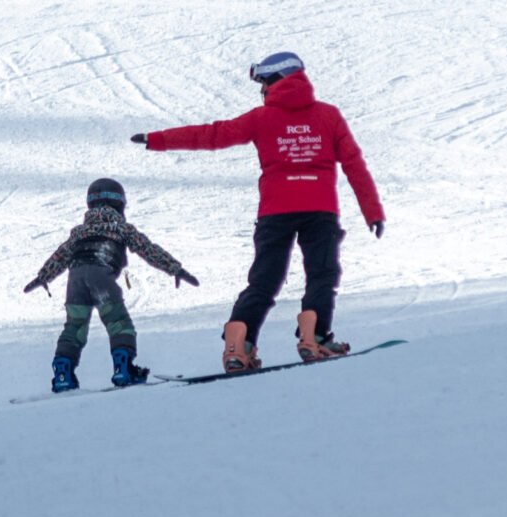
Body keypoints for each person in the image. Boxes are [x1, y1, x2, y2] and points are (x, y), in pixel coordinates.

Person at [133, 52, 384, 372]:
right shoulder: (328, 116)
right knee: (321, 275)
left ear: (279, 79)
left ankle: (239, 346)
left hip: (275, 211)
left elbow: (211, 135)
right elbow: (353, 165)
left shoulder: (261, 118)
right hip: (319, 210)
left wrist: (158, 140)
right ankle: (316, 339)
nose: (262, 91)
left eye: (264, 83)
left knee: (264, 280)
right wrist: (371, 211)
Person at [23, 175, 199, 392]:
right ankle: (123, 369)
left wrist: (43, 276)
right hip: (100, 276)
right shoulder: (121, 228)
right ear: (119, 204)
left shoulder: (79, 232)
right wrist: (175, 268)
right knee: (118, 322)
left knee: (74, 327)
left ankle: (62, 374)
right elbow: (148, 249)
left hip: (75, 280)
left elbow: (59, 256)